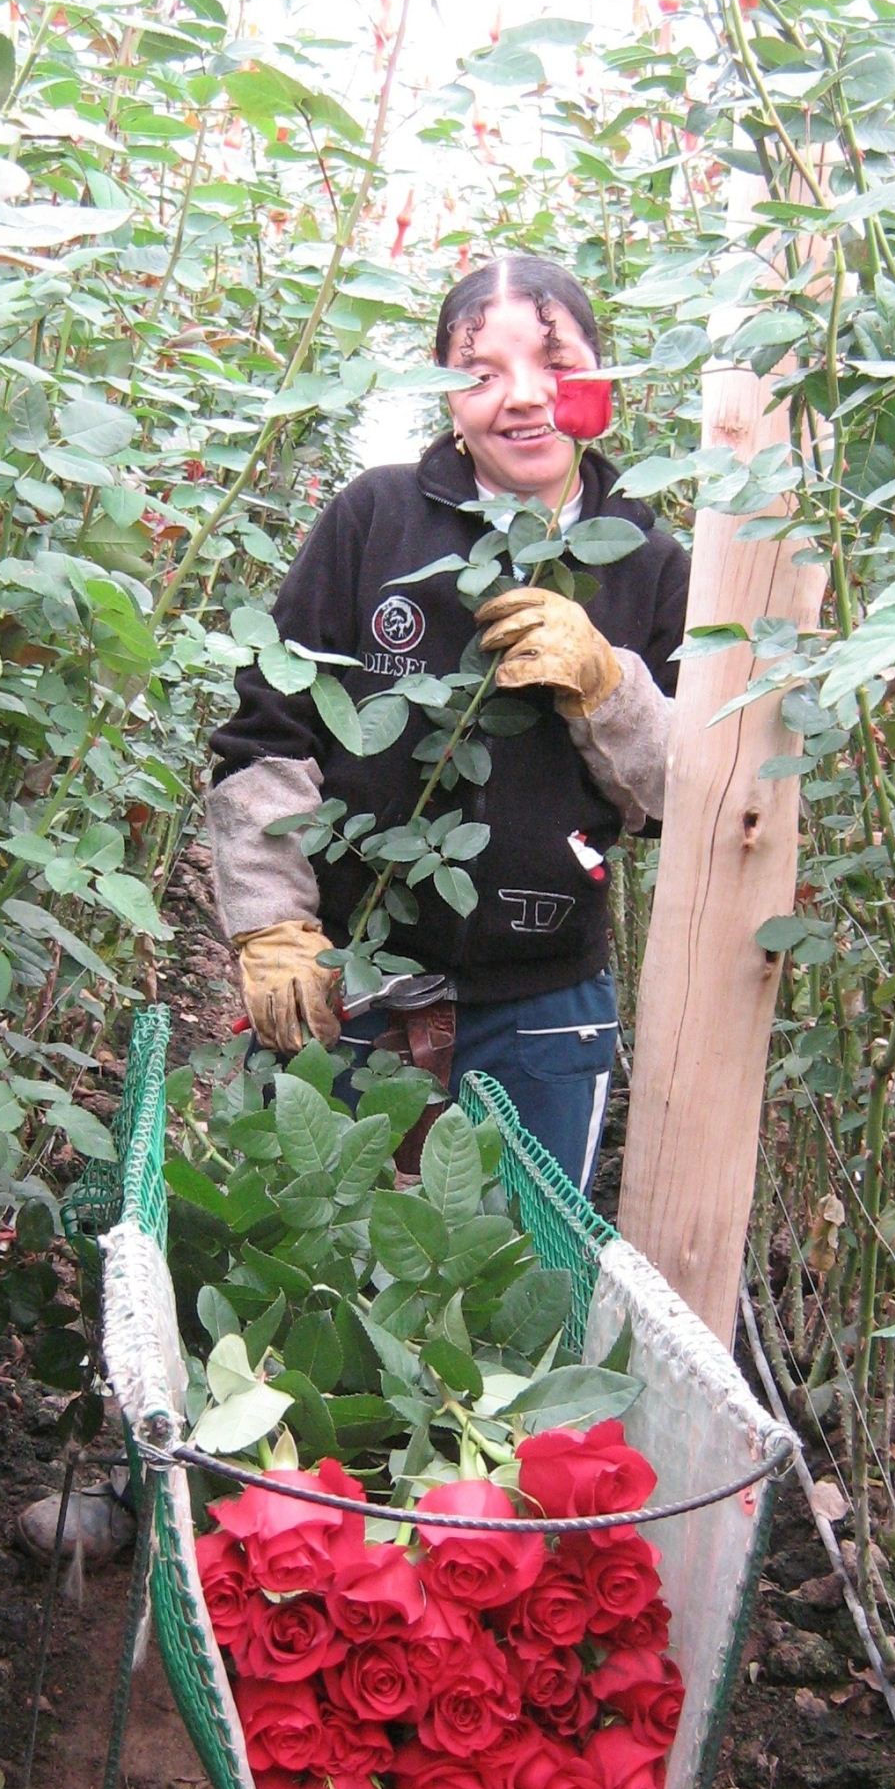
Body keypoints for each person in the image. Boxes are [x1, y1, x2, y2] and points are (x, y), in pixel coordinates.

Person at [207, 256, 690, 1193]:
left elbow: (679, 802)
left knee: (526, 1258)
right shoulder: (375, 520)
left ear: (600, 377)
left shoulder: (648, 560)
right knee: (319, 1248)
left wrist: (608, 686)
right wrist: (273, 925)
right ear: (445, 394)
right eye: (481, 373)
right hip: (349, 980)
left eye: (555, 363)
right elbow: (269, 733)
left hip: (545, 999)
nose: (524, 397)